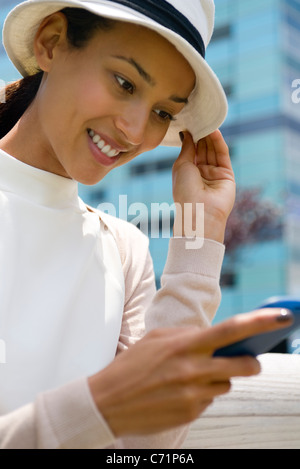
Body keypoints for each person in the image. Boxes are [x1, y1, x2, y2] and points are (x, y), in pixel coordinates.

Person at [0, 0, 294, 449]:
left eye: (163, 113)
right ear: (51, 42)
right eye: (124, 82)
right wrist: (97, 406)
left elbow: (145, 445)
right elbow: (110, 415)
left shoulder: (123, 249)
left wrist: (203, 228)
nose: (136, 132)